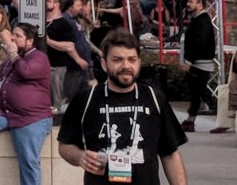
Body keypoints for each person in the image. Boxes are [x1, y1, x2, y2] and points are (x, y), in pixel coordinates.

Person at [58, 28, 188, 185]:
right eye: (117, 59)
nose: (126, 66)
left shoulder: (154, 99)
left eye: (132, 59)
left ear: (139, 63)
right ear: (104, 64)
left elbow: (170, 154)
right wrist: (79, 157)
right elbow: (65, 145)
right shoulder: (86, 99)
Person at [0, 23, 52, 185]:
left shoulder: (39, 58)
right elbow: (0, 80)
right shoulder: (11, 59)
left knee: (28, 160)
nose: (12, 38)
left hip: (31, 117)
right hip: (6, 111)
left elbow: (25, 71)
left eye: (18, 36)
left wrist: (12, 52)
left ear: (29, 41)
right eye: (13, 34)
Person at [179, 0, 217, 133]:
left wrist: (188, 60)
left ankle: (221, 111)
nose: (188, 4)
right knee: (198, 91)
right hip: (198, 62)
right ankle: (191, 121)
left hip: (200, 62)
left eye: (191, 2)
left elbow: (199, 43)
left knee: (199, 91)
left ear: (199, 5)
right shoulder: (198, 20)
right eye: (188, 1)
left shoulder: (202, 22)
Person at [46, 0, 91, 111]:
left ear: (57, 4)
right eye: (78, 5)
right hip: (47, 65)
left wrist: (49, 42)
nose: (45, 3)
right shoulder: (43, 22)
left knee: (59, 101)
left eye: (48, 1)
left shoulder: (64, 23)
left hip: (60, 66)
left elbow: (69, 46)